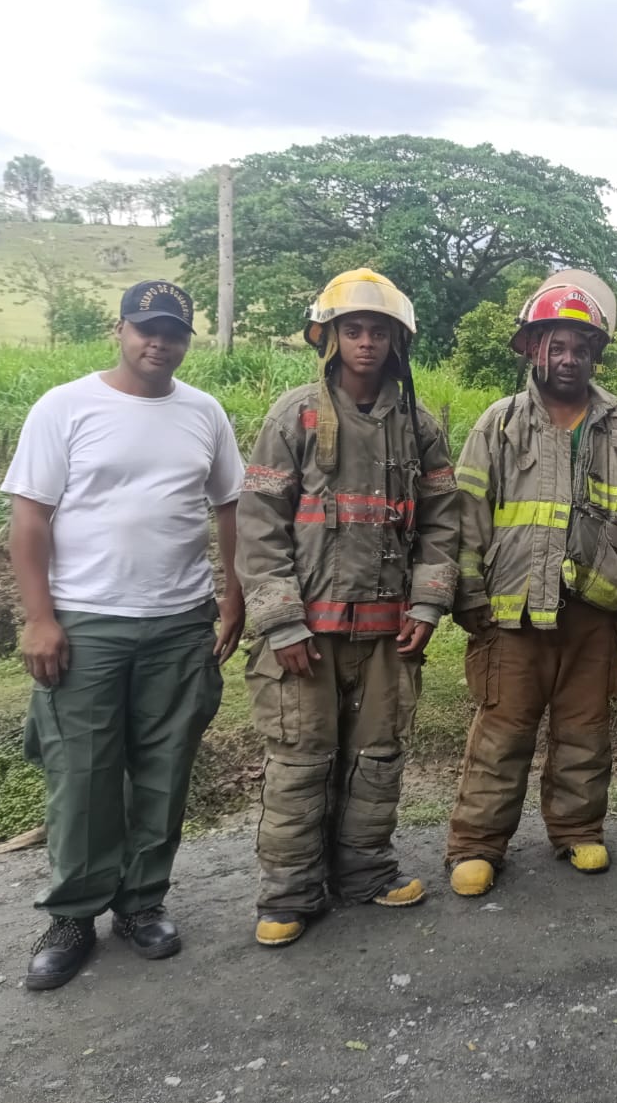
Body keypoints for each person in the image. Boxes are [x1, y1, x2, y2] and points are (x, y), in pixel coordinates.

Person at [3, 279, 244, 991]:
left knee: (165, 769)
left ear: (186, 339)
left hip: (178, 621)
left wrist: (234, 598)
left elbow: (231, 509)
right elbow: (29, 520)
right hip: (87, 622)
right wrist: (41, 617)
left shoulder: (204, 413)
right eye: (146, 328)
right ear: (121, 328)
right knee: (82, 773)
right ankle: (73, 914)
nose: (157, 342)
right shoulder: (67, 407)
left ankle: (142, 903)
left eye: (172, 331)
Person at [237, 269, 459, 947]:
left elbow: (443, 522)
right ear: (329, 338)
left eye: (378, 331)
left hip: (389, 630)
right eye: (353, 330)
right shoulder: (294, 416)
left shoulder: (418, 425)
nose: (366, 342)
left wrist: (427, 605)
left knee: (379, 756)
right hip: (307, 634)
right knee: (302, 759)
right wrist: (281, 620)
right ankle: (289, 892)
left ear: (398, 342)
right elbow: (258, 523)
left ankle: (364, 871)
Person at [445, 270, 617, 896]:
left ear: (595, 355)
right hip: (512, 609)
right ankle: (477, 844)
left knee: (585, 728)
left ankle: (577, 831)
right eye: (557, 345)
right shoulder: (499, 423)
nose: (569, 358)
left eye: (581, 347)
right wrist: (467, 593)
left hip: (594, 606)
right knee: (501, 731)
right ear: (532, 349)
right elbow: (465, 514)